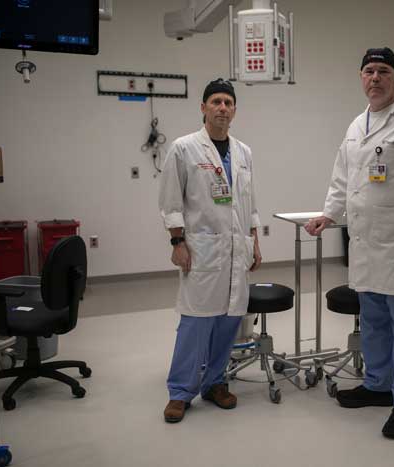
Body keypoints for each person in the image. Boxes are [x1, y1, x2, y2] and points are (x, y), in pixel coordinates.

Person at [305, 47, 394, 439]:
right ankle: (380, 385)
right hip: (365, 245)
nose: (375, 78)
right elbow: (342, 179)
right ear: (361, 77)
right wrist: (328, 215)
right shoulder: (356, 126)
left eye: (383, 71)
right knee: (375, 324)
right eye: (368, 71)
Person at [159, 78, 262, 423]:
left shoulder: (244, 152)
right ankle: (180, 392)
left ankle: (215, 382)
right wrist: (177, 242)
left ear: (234, 111)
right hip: (201, 248)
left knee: (229, 320)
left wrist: (254, 242)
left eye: (228, 103)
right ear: (203, 108)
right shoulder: (184, 148)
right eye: (216, 101)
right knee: (196, 322)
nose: (222, 108)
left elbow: (250, 203)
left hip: (237, 250)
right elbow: (171, 201)